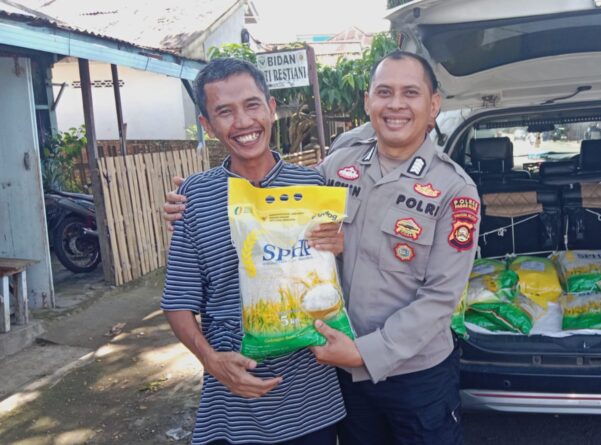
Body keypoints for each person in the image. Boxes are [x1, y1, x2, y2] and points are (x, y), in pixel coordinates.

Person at [165, 51, 479, 444]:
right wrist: (188, 202)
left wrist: (363, 353)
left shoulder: (454, 189)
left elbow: (441, 298)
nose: (396, 104)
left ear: (433, 105)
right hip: (338, 372)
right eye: (384, 92)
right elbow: (274, 202)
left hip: (415, 374)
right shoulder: (334, 168)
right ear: (367, 101)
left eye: (410, 93)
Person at [161, 58, 345, 445]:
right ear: (207, 125)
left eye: (252, 105)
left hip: (311, 398)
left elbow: (338, 278)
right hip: (231, 401)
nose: (243, 122)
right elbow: (178, 301)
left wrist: (339, 249)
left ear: (271, 108)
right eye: (224, 112)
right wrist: (211, 361)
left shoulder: (313, 186)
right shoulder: (194, 196)